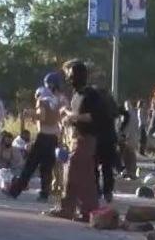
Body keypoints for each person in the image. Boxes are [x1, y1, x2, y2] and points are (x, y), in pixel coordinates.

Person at [45, 60, 101, 222]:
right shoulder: (76, 95)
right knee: (86, 178)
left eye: (71, 74)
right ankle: (89, 211)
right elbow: (78, 116)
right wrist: (67, 114)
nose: (69, 79)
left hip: (86, 139)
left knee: (70, 172)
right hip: (76, 139)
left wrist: (70, 116)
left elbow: (91, 117)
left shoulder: (90, 94)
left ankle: (66, 208)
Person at [8, 75, 65, 202]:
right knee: (47, 167)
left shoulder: (43, 100)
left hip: (43, 136)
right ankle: (44, 193)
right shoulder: (60, 100)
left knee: (30, 165)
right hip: (53, 137)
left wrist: (30, 113)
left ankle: (15, 191)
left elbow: (42, 117)